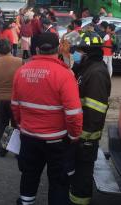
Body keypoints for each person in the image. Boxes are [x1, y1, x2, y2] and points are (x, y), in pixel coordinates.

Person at [11, 33, 83, 205]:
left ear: (36, 49)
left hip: (29, 137)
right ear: (58, 49)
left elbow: (15, 106)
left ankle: (26, 202)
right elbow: (73, 114)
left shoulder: (21, 72)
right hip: (57, 140)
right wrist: (74, 137)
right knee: (58, 181)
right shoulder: (65, 74)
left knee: (29, 175)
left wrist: (23, 126)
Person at [69, 31, 111, 205]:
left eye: (79, 50)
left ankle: (80, 202)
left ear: (87, 52)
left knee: (83, 174)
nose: (76, 53)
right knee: (77, 172)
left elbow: (95, 110)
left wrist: (85, 137)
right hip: (78, 132)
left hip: (86, 136)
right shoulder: (85, 68)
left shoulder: (97, 73)